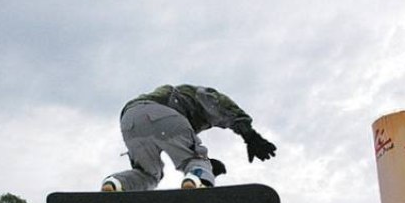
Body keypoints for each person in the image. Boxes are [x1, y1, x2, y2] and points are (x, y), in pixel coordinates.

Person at [101, 84, 277, 191]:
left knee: (147, 174)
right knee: (196, 160)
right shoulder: (197, 95)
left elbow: (174, 141)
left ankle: (117, 184)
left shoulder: (182, 117)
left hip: (129, 121)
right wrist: (251, 136)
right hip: (161, 115)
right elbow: (225, 108)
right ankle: (198, 179)